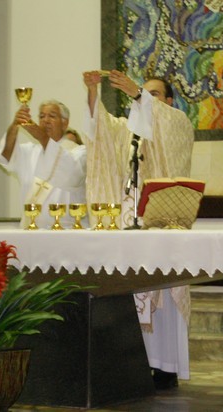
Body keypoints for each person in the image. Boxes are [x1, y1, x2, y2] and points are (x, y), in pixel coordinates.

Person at [82, 70, 194, 389]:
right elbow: (99, 129)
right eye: (142, 94)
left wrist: (136, 93)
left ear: (169, 101)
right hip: (127, 219)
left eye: (153, 94)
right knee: (128, 292)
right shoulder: (127, 131)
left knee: (162, 290)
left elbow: (165, 125)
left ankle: (164, 365)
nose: (144, 98)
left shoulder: (178, 123)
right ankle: (131, 361)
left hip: (162, 220)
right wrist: (92, 93)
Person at [0, 99, 87, 230]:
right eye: (42, 116)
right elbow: (5, 156)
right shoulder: (29, 151)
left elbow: (72, 175)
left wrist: (42, 137)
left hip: (66, 230)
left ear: (65, 123)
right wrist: (15, 125)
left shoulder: (79, 152)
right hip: (31, 229)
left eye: (52, 116)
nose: (45, 120)